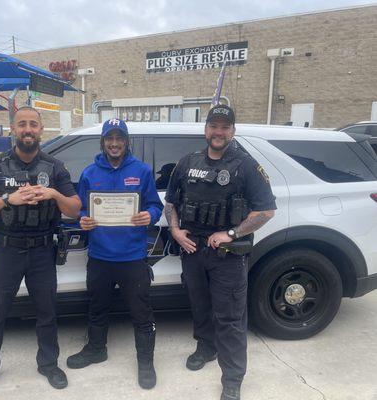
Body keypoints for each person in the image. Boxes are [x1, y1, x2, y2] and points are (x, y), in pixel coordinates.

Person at [0, 107, 81, 399]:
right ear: (13, 130)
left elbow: (75, 208)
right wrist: (8, 199)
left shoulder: (55, 167)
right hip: (7, 251)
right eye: (22, 125)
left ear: (41, 129)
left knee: (47, 313)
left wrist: (54, 194)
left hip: (43, 251)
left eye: (33, 124)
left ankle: (48, 364)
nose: (27, 129)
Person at [163, 104, 276, 400]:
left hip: (227, 254)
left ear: (233, 131)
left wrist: (231, 233)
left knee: (230, 319)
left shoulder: (246, 165)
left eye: (225, 127)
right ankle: (205, 348)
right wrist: (175, 231)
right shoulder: (188, 162)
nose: (219, 131)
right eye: (214, 126)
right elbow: (172, 203)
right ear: (206, 130)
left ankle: (233, 378)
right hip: (193, 250)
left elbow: (266, 211)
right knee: (200, 307)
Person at [66, 118, 163, 389]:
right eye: (110, 138)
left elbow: (156, 206)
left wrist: (149, 215)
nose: (114, 143)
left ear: (126, 141)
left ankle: (145, 360)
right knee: (97, 307)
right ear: (103, 141)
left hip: (132, 257)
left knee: (141, 312)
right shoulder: (89, 173)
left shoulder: (141, 171)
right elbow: (82, 210)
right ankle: (97, 349)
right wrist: (83, 220)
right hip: (99, 256)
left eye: (119, 138)